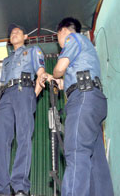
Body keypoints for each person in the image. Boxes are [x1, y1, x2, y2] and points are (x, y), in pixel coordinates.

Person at [0, 23, 51, 196]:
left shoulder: (34, 50)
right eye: (12, 33)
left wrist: (31, 96)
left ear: (26, 37)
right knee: (1, 140)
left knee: (24, 137)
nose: (14, 34)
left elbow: (40, 72)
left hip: (24, 91)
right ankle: (0, 187)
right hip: (6, 95)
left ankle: (20, 187)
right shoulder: (7, 60)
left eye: (18, 32)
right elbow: (4, 81)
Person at [52, 17, 114, 196]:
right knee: (96, 161)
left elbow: (60, 68)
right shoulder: (86, 48)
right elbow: (69, 79)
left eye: (58, 37)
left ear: (63, 31)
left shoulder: (73, 39)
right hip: (93, 100)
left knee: (76, 152)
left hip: (83, 99)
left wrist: (56, 72)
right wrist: (57, 81)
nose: (59, 42)